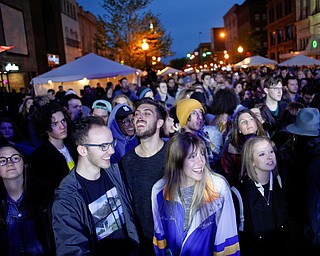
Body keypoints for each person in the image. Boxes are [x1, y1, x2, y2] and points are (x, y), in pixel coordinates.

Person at [51, 116, 140, 255]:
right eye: (104, 146)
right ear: (82, 150)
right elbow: (72, 248)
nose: (111, 151)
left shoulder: (115, 172)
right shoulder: (67, 198)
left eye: (112, 143)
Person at [151, 132, 240, 255]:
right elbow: (160, 238)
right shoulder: (159, 190)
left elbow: (227, 238)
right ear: (177, 160)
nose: (201, 162)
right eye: (192, 156)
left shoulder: (218, 188)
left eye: (202, 154)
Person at [120, 98, 167, 256]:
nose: (139, 117)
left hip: (174, 238)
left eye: (147, 113)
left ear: (160, 123)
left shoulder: (174, 154)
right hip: (144, 243)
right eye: (137, 114)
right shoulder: (127, 162)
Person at [234, 136, 289, 255]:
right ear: (251, 161)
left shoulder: (278, 180)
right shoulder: (238, 192)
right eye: (262, 154)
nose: (270, 157)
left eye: (271, 151)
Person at [0, 144, 54, 255]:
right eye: (2, 160)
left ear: (24, 162)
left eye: (15, 158)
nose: (9, 163)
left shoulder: (46, 197)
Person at [30, 102, 77, 200]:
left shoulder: (74, 146)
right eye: (55, 124)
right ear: (45, 127)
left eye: (63, 121)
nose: (62, 126)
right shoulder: (39, 158)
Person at [220, 109, 267, 186]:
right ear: (239, 129)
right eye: (243, 122)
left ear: (256, 123)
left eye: (251, 119)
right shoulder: (232, 149)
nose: (248, 123)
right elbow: (228, 176)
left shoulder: (267, 143)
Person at [176, 98, 223, 169]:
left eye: (200, 112)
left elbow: (212, 161)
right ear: (184, 117)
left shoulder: (203, 135)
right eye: (193, 113)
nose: (199, 117)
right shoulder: (178, 142)